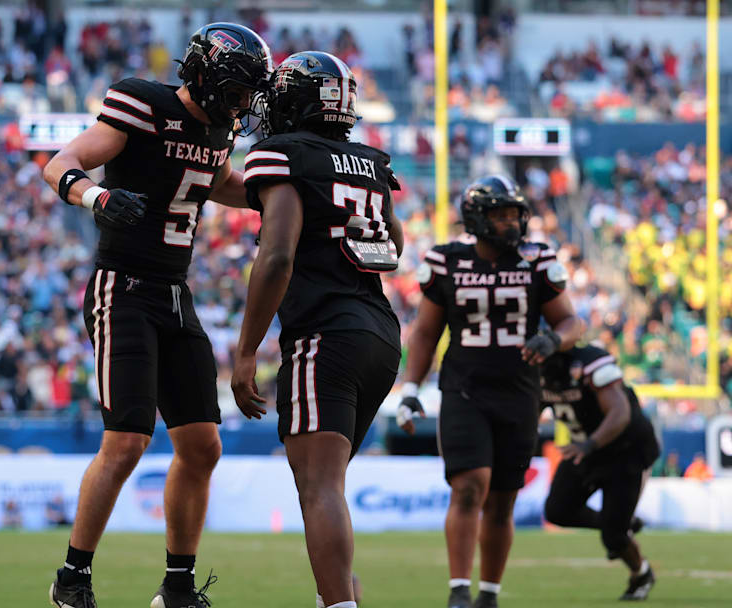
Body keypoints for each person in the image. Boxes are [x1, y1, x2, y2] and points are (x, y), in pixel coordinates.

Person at [41, 22, 271, 608]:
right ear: (209, 76)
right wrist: (95, 196)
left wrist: (286, 190)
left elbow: (219, 182)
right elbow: (61, 162)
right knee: (126, 442)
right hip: (123, 287)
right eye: (241, 88)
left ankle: (177, 586)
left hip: (175, 292)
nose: (245, 102)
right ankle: (72, 578)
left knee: (202, 446)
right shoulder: (145, 104)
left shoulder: (218, 132)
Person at [232, 51, 403, 608]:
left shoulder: (282, 153)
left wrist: (244, 353)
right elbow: (393, 246)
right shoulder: (371, 161)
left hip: (324, 332)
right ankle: (339, 593)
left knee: (318, 484)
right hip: (378, 331)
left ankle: (340, 604)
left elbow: (277, 256)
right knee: (327, 481)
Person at [399, 175, 583, 608]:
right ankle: (459, 590)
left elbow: (572, 323)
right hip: (465, 389)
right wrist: (411, 389)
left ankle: (489, 594)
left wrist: (554, 340)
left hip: (521, 394)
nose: (511, 224)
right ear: (477, 220)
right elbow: (426, 334)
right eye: (500, 216)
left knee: (502, 500)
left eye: (514, 214)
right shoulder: (447, 261)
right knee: (469, 485)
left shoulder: (537, 260)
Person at [540, 344, 659, 601]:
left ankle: (641, 573)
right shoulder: (532, 371)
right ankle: (622, 523)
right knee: (557, 510)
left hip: (625, 451)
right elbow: (527, 414)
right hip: (586, 448)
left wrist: (589, 444)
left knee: (614, 537)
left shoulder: (591, 363)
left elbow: (619, 412)